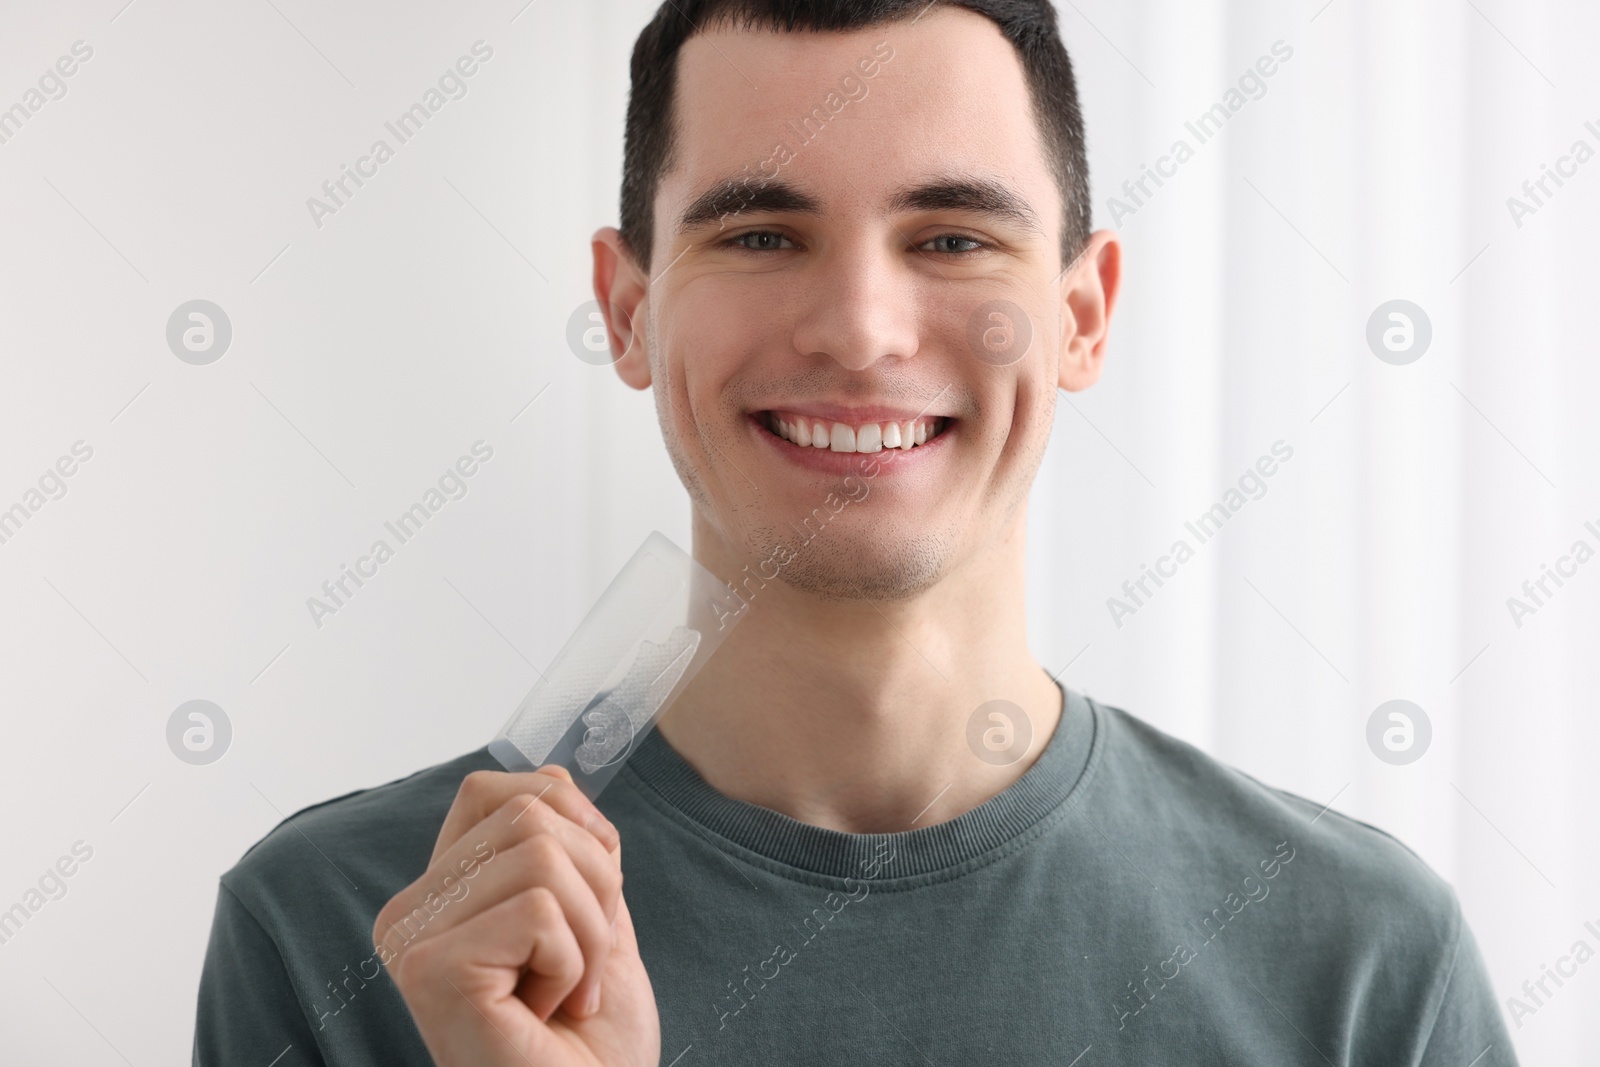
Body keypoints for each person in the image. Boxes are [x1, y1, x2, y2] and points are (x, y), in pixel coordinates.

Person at [194, 2, 1517, 1063]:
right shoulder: (342, 935)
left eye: (950, 236)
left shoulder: (1360, 963)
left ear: (1083, 316)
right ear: (627, 309)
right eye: (763, 233)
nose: (862, 329)